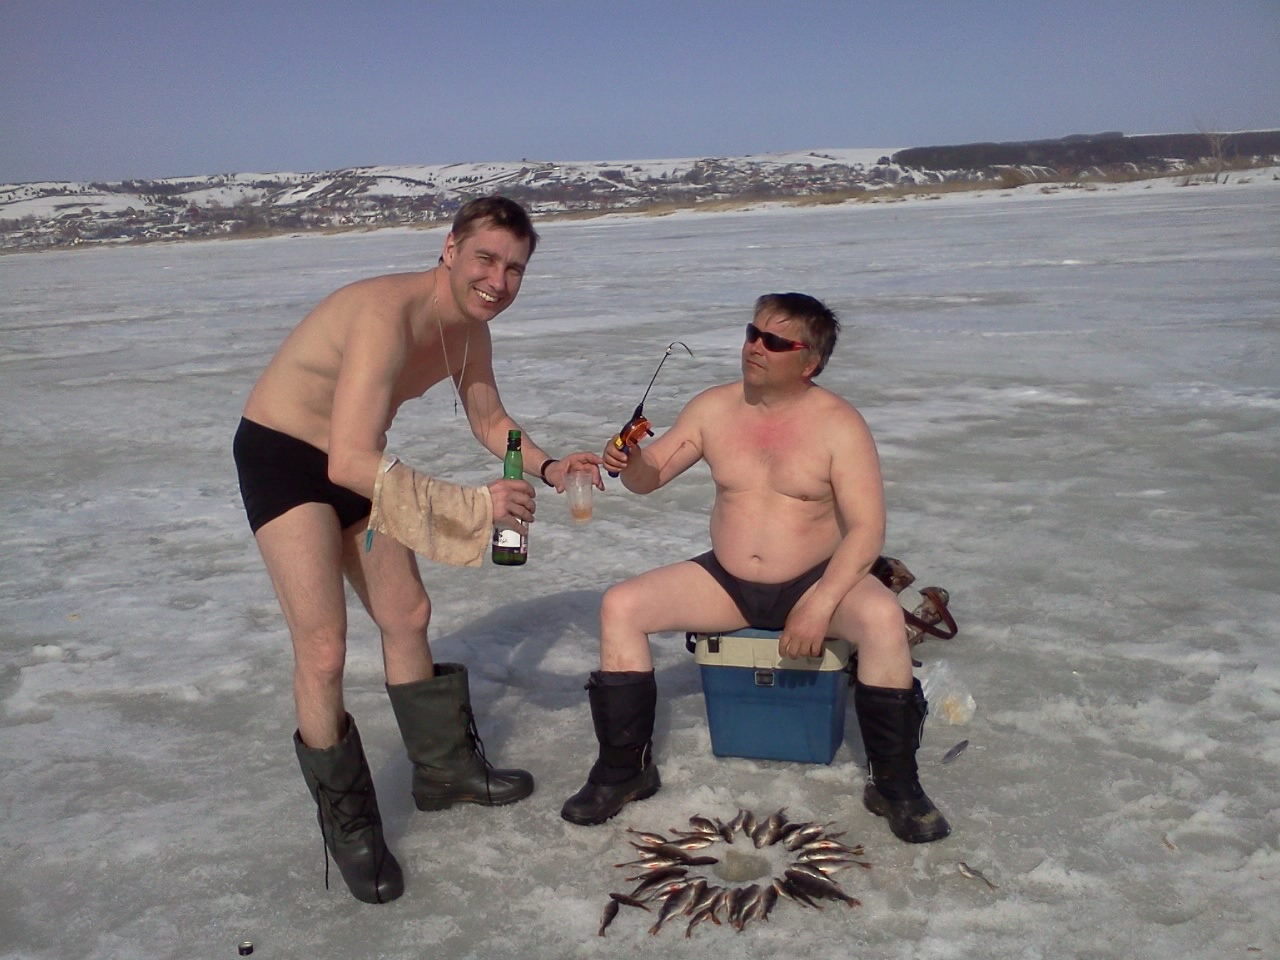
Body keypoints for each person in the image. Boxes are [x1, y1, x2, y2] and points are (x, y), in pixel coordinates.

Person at [233, 195, 603, 904]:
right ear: (450, 250)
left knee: (406, 614)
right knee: (323, 648)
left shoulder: (470, 331)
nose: (498, 281)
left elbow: (491, 420)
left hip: (357, 461)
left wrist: (549, 467)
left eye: (515, 269)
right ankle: (350, 828)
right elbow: (345, 461)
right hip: (287, 458)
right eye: (486, 259)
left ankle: (443, 773)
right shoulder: (385, 315)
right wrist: (475, 506)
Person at [560, 292, 950, 844]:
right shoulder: (713, 409)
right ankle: (624, 771)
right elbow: (649, 479)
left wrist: (820, 604)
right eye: (752, 333)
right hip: (728, 582)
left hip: (815, 581)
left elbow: (867, 531)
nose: (754, 347)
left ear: (809, 361)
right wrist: (632, 460)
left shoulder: (840, 425)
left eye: (774, 342)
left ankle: (895, 785)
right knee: (621, 606)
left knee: (884, 619)